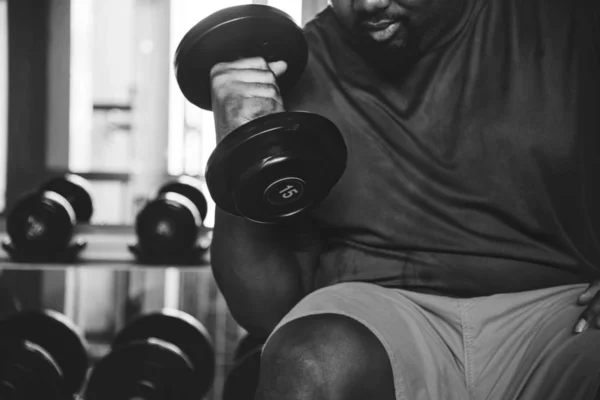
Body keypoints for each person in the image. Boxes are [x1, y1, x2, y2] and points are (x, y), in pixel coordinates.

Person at [209, 0, 600, 399]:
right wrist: (240, 146)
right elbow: (263, 313)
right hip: (375, 314)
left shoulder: (567, 22)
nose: (367, 4)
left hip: (561, 311)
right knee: (306, 363)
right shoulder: (290, 72)